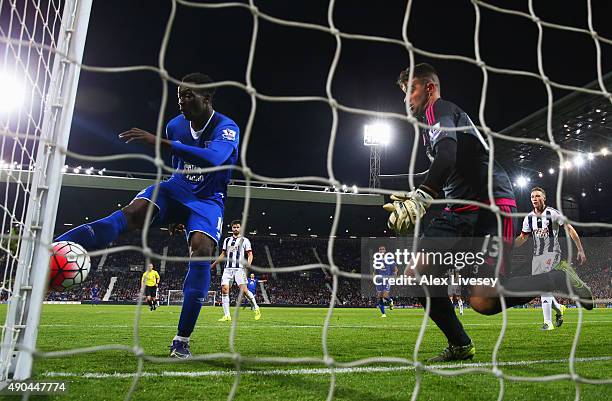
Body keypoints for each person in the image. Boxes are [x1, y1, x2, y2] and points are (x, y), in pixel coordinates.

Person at [383, 63, 594, 362]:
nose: (407, 99)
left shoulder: (439, 109)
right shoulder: (429, 127)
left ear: (429, 88)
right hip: (458, 210)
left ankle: (555, 280)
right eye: (404, 93)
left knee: (484, 300)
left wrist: (422, 196)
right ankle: (460, 344)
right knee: (418, 274)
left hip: (490, 206)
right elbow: (448, 163)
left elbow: (446, 155)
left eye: (411, 90)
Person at [54, 73, 240, 359]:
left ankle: (181, 340)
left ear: (207, 97)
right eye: (179, 95)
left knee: (202, 250)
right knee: (132, 213)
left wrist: (157, 142)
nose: (182, 100)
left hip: (207, 200)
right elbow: (181, 164)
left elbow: (213, 159)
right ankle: (53, 248)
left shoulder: (226, 127)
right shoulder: (175, 126)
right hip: (176, 188)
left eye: (189, 95)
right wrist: (176, 212)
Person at [515, 187, 587, 330]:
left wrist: (580, 250)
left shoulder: (553, 214)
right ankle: (559, 308)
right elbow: (523, 237)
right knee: (541, 289)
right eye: (532, 197)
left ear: (544, 198)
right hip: (537, 256)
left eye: (537, 196)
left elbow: (570, 229)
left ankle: (547, 323)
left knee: (543, 285)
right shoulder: (529, 217)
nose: (534, 199)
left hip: (552, 253)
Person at [212, 220, 261, 320]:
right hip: (227, 269)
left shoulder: (245, 240)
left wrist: (248, 265)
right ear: (232, 228)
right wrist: (213, 264)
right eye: (234, 227)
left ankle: (256, 307)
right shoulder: (227, 240)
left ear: (241, 228)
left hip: (239, 269)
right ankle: (227, 315)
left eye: (238, 227)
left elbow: (250, 254)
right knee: (224, 289)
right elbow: (223, 254)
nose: (236, 229)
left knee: (244, 291)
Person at [374, 245, 397, 318]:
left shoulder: (389, 259)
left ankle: (390, 300)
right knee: (379, 297)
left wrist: (393, 277)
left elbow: (395, 269)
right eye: (380, 249)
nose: (381, 251)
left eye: (382, 249)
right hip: (379, 280)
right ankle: (383, 314)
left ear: (385, 251)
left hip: (387, 279)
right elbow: (375, 271)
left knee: (384, 295)